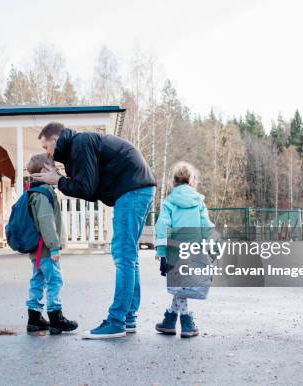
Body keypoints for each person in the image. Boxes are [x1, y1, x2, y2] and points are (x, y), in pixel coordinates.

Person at [32, 122, 156, 339]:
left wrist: (58, 180)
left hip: (132, 190)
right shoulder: (77, 146)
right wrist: (60, 176)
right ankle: (128, 318)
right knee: (129, 256)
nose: (47, 153)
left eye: (46, 147)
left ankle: (116, 321)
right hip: (137, 188)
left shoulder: (80, 143)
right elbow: (85, 183)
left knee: (123, 256)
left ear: (55, 139)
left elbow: (86, 189)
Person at [154, 162, 213, 338]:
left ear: (173, 181)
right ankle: (175, 321)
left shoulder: (168, 203)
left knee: (180, 287)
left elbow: (162, 227)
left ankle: (180, 321)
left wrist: (163, 254)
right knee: (182, 287)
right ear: (192, 180)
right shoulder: (198, 202)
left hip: (174, 252)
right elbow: (206, 227)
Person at [24, 153, 78, 335]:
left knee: (37, 281)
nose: (57, 171)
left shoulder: (33, 192)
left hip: (37, 250)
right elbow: (46, 221)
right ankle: (56, 318)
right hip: (46, 249)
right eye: (55, 168)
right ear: (45, 169)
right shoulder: (43, 194)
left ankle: (34, 318)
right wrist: (54, 246)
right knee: (54, 281)